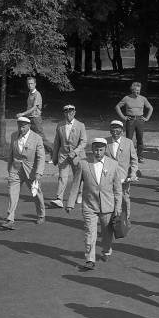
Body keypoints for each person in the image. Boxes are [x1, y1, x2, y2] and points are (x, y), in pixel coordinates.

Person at [65, 138, 123, 270]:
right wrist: (70, 203)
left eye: (101, 149)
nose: (98, 152)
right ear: (92, 149)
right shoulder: (83, 164)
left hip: (107, 206)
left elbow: (118, 189)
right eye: (96, 149)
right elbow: (76, 184)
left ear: (105, 149)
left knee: (107, 233)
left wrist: (118, 207)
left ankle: (106, 250)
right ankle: (90, 259)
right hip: (89, 205)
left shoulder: (113, 164)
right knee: (90, 233)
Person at [1, 117, 45, 230]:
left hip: (31, 172)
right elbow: (11, 152)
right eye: (19, 126)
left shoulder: (37, 138)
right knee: (12, 193)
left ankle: (41, 214)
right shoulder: (14, 135)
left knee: (36, 194)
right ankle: (10, 219)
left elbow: (41, 157)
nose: (21, 128)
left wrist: (39, 172)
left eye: (23, 126)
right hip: (15, 170)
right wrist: (9, 167)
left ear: (29, 126)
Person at [48, 105, 87, 208]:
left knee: (78, 177)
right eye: (66, 112)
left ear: (74, 113)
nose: (68, 114)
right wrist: (54, 156)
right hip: (63, 154)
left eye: (71, 112)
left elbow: (84, 142)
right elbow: (57, 142)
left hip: (77, 155)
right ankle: (59, 199)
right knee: (62, 176)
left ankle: (79, 193)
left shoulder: (80, 125)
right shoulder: (60, 125)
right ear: (64, 113)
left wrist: (75, 152)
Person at [105, 120, 138, 222]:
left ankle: (126, 218)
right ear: (110, 130)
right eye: (113, 128)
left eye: (118, 128)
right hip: (108, 176)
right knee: (109, 198)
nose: (115, 130)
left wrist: (133, 173)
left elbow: (134, 160)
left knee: (124, 197)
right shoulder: (105, 142)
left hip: (123, 177)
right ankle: (111, 218)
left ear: (122, 130)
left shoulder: (128, 142)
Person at [114, 81, 154, 163]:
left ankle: (140, 156)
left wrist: (147, 118)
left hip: (140, 120)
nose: (137, 92)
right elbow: (117, 107)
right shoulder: (126, 98)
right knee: (129, 139)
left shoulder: (143, 98)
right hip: (130, 120)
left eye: (138, 90)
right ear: (132, 90)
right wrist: (123, 117)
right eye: (135, 90)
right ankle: (128, 156)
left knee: (140, 138)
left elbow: (150, 108)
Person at [16, 77, 50, 154]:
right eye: (28, 83)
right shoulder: (30, 94)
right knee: (26, 136)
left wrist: (22, 114)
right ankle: (25, 154)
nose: (30, 85)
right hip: (29, 118)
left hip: (35, 119)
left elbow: (34, 108)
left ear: (35, 84)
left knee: (41, 137)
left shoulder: (37, 94)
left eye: (31, 83)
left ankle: (53, 153)